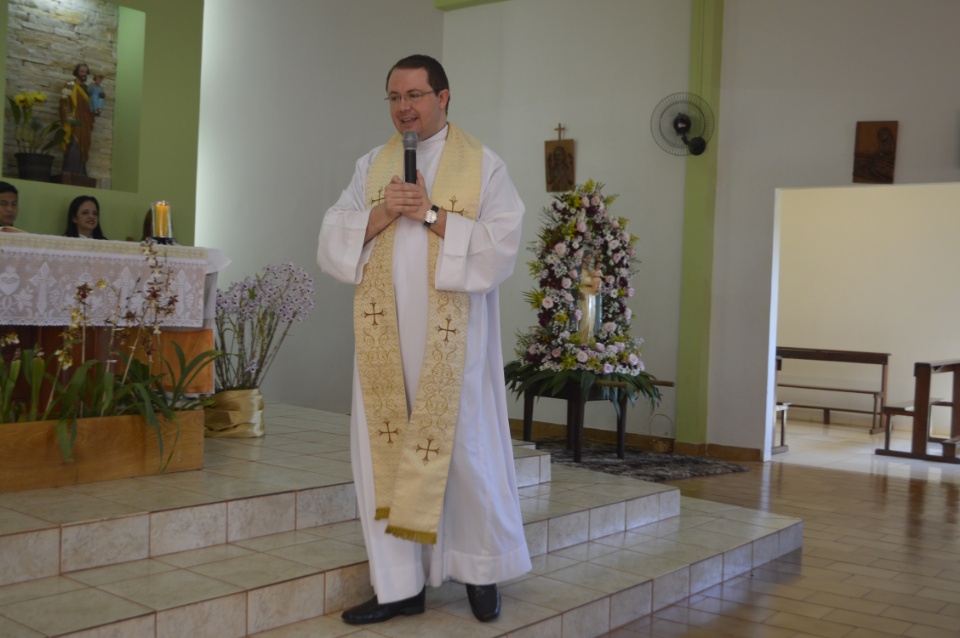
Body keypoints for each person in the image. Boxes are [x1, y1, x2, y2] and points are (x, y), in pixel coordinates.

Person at [317, 54, 530, 626]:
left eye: (414, 94)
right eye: (393, 96)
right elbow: (333, 235)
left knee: (465, 456)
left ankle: (481, 574)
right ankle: (398, 586)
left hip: (453, 347)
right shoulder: (372, 165)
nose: (403, 107)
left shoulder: (483, 165)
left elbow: (501, 247)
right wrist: (385, 210)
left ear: (444, 97)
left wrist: (432, 212)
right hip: (386, 342)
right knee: (383, 458)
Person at [59, 63, 96, 175]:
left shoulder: (88, 89)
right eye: (82, 71)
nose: (84, 74)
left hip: (85, 122)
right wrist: (67, 116)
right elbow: (63, 101)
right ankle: (70, 170)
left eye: (86, 72)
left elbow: (92, 105)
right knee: (74, 144)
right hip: (74, 121)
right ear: (76, 72)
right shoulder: (69, 85)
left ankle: (81, 172)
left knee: (84, 145)